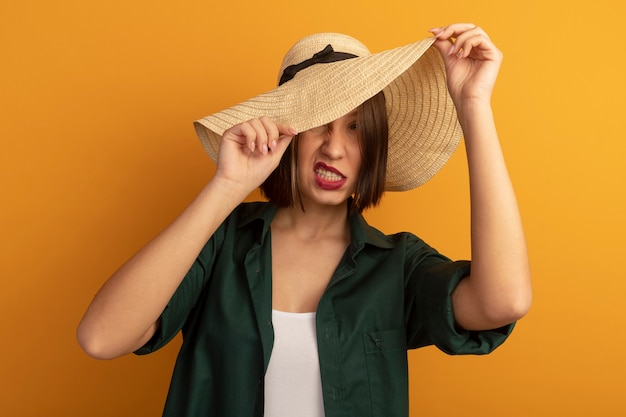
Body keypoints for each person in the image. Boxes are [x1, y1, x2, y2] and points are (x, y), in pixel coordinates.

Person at [77, 23, 532, 417]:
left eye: (355, 127)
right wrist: (228, 185)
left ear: (373, 147)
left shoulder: (398, 265)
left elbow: (504, 302)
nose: (334, 148)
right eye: (318, 122)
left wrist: (473, 105)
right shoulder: (221, 244)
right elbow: (101, 338)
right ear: (285, 133)